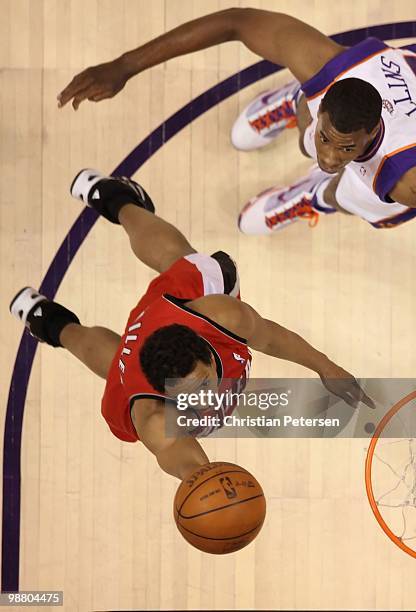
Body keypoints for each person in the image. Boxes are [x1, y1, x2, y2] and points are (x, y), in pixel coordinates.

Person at [10, 170, 373, 480]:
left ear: (208, 351)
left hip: (174, 306)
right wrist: (204, 483)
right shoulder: (152, 416)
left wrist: (326, 367)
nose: (200, 398)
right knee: (115, 366)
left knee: (180, 259)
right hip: (139, 364)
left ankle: (117, 199)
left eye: (200, 384)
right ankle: (50, 323)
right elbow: (184, 460)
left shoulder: (223, 317)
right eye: (185, 393)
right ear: (163, 389)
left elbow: (273, 339)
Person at [56, 8, 416, 234]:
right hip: (345, 100)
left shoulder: (405, 182)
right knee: (310, 142)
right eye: (329, 140)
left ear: (371, 133)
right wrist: (125, 65)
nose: (332, 159)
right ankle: (295, 100)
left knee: (358, 200)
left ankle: (313, 196)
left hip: (394, 164)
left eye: (347, 148)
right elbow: (235, 23)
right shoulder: (325, 63)